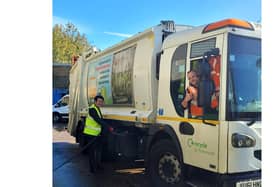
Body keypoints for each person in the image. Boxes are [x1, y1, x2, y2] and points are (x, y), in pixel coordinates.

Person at [83, 95, 110, 173]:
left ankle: (98, 165)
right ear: (95, 101)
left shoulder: (97, 108)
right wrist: (108, 127)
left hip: (96, 134)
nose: (100, 103)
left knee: (98, 150)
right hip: (90, 134)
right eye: (99, 101)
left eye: (102, 102)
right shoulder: (92, 109)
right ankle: (92, 168)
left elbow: (100, 121)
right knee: (92, 152)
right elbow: (98, 120)